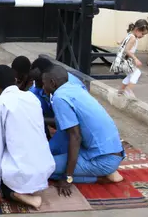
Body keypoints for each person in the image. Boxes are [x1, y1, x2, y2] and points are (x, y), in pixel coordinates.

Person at [0, 65, 55, 211]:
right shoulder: (32, 97)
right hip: (45, 168)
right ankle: (27, 189)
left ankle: (19, 195)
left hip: (21, 173)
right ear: (16, 80)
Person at [42, 65, 124, 197]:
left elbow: (75, 137)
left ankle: (101, 176)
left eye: (44, 83)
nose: (42, 88)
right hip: (110, 152)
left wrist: (68, 177)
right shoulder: (74, 87)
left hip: (103, 160)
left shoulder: (59, 97)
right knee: (53, 158)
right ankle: (105, 171)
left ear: (52, 83)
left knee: (41, 168)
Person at [118, 19, 148, 98]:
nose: (142, 36)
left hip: (121, 60)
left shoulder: (130, 34)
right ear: (136, 30)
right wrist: (135, 59)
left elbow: (125, 39)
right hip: (125, 60)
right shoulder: (133, 38)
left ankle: (120, 92)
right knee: (137, 73)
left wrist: (120, 42)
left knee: (130, 75)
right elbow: (127, 50)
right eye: (142, 34)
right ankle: (128, 90)